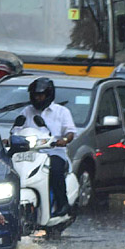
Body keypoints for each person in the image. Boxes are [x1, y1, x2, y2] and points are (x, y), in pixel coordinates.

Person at [17, 77, 76, 216]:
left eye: (41, 95)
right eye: (35, 95)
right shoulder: (27, 112)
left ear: (49, 95)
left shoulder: (61, 112)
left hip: (54, 152)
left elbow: (71, 131)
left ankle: (62, 204)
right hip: (30, 154)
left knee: (55, 169)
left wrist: (64, 139)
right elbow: (17, 129)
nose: (38, 98)